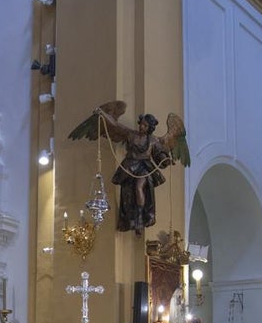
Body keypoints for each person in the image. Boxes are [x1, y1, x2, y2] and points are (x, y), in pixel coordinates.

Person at [68, 101, 190, 235]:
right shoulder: (131, 135)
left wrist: (165, 160)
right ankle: (132, 219)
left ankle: (139, 220)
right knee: (128, 193)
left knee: (139, 188)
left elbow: (159, 153)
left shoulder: (153, 140)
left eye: (145, 125)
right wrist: (102, 113)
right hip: (129, 167)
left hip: (144, 167)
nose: (141, 127)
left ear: (149, 128)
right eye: (141, 124)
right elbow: (114, 124)